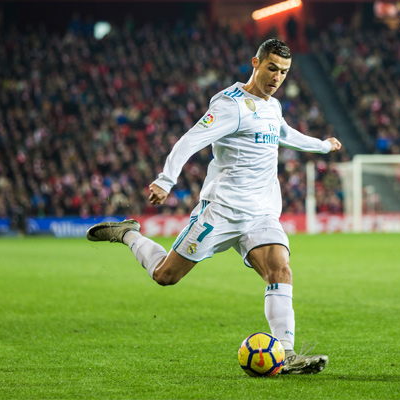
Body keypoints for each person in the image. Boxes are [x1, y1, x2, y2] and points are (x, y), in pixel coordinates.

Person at [86, 38, 342, 374]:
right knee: (166, 276)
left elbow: (285, 133)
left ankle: (288, 353)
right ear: (256, 63)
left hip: (261, 212)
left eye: (283, 72)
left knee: (280, 269)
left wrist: (323, 146)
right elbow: (191, 139)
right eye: (272, 68)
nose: (277, 77)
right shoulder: (230, 105)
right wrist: (166, 179)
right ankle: (127, 234)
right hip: (221, 211)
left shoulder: (272, 106)